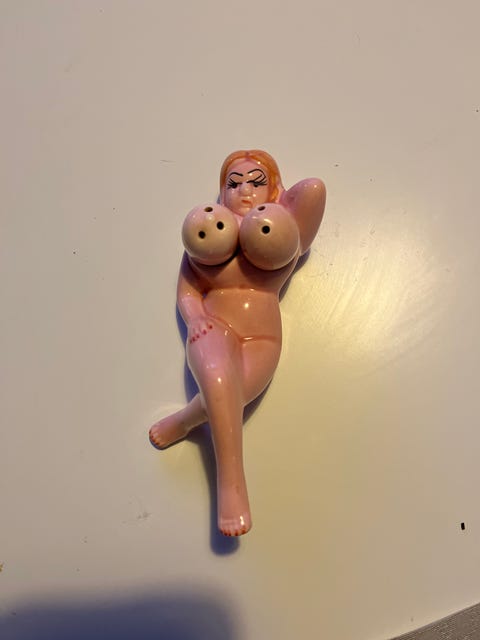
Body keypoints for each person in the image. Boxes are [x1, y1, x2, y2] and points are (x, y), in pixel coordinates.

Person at [149, 150, 326, 536]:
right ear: (221, 191)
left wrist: (279, 200)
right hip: (212, 327)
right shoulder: (207, 226)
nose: (244, 189)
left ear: (273, 189)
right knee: (218, 381)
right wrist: (196, 318)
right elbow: (187, 292)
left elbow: (314, 190)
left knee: (229, 396)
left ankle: (184, 420)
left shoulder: (287, 227)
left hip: (263, 338)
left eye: (256, 181)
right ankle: (232, 488)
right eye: (233, 182)